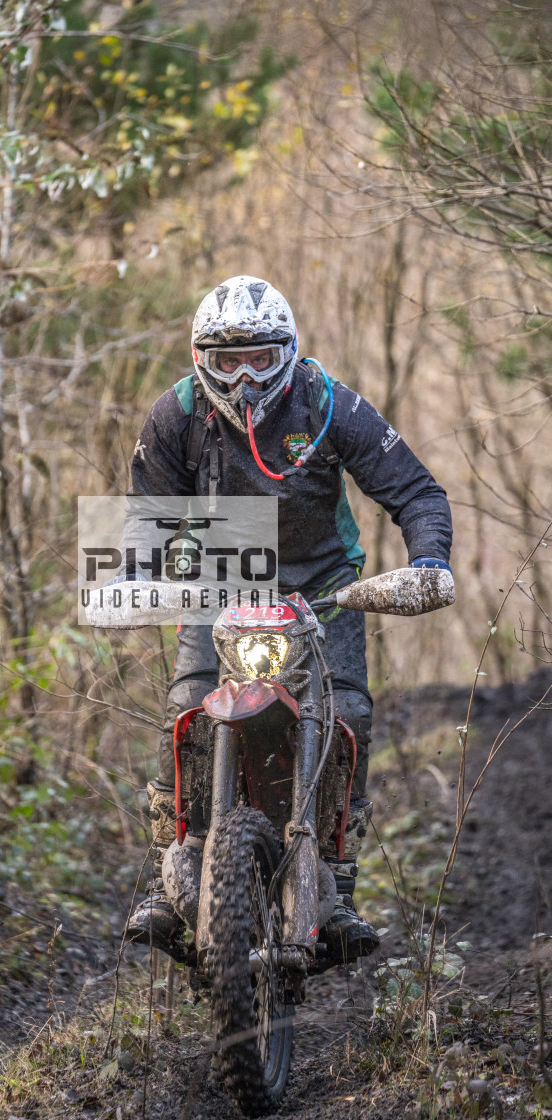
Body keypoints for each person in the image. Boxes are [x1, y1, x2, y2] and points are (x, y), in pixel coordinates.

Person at [125, 275, 452, 963]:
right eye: (225, 361)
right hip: (219, 589)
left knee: (351, 714)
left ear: (288, 353)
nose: (243, 377)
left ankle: (337, 874)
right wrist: (136, 573)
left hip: (322, 591)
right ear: (199, 359)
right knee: (187, 704)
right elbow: (144, 521)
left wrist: (428, 560)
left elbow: (416, 490)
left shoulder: (330, 405)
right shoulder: (177, 414)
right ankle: (167, 867)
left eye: (259, 359)